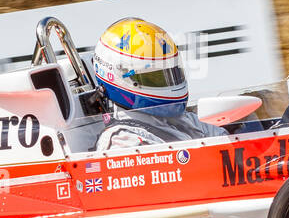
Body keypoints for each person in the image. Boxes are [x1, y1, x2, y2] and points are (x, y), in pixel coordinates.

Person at [90, 17, 226, 151]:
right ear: (118, 75)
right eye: (153, 76)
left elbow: (228, 140)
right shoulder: (121, 140)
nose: (168, 83)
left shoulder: (185, 120)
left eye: (172, 73)